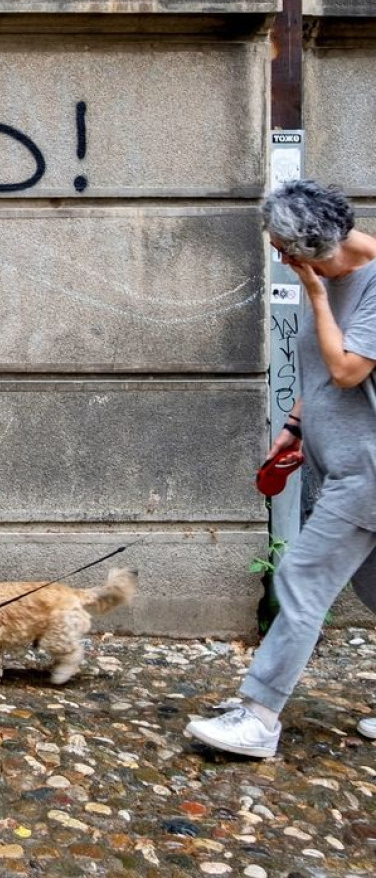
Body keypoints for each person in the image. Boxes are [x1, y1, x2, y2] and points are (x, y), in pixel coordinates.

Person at [186, 179, 376, 758]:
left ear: (312, 248)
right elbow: (318, 377)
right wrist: (293, 431)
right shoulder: (328, 276)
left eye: (283, 248)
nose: (278, 257)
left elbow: (346, 370)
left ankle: (259, 716)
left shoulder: (363, 286)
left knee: (299, 579)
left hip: (366, 473)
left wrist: (316, 299)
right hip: (337, 463)